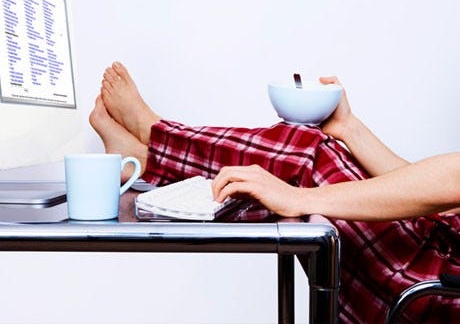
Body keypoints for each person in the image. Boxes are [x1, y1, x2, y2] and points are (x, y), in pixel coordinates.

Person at [90, 61, 460, 323]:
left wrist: (301, 198)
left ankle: (155, 142)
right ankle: (150, 152)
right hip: (442, 249)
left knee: (303, 165)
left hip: (437, 294)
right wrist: (349, 128)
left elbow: (451, 181)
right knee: (315, 146)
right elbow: (439, 192)